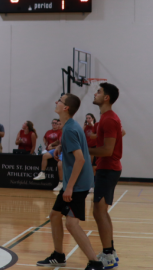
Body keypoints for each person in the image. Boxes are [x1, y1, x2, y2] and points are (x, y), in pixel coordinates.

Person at [36, 93, 103, 270]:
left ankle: (95, 262)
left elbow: (80, 159)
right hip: (75, 183)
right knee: (55, 215)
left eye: (60, 100)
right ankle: (58, 255)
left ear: (65, 108)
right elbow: (77, 147)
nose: (56, 102)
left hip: (78, 184)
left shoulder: (70, 129)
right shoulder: (70, 126)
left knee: (72, 224)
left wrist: (70, 187)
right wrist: (61, 146)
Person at [88, 83, 123, 268]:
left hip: (108, 168)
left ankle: (108, 255)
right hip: (108, 168)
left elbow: (108, 150)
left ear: (106, 97)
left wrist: (85, 151)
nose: (95, 94)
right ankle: (110, 250)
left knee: (98, 211)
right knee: (102, 212)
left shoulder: (109, 119)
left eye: (99, 92)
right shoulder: (106, 119)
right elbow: (120, 133)